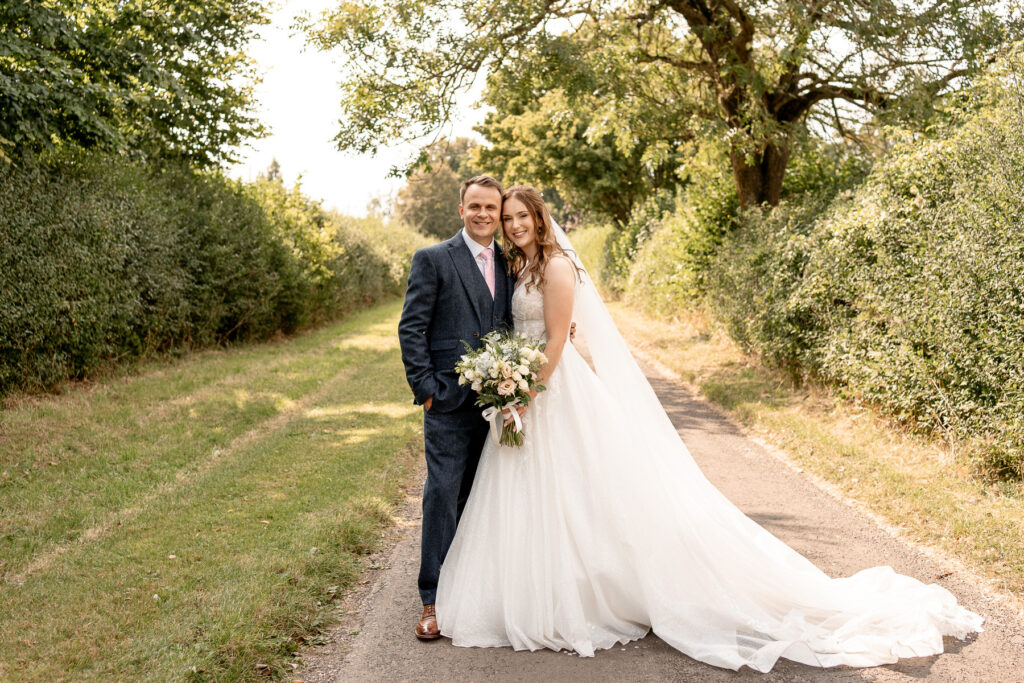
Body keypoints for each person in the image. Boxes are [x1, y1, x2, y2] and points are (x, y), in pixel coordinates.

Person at [434, 185, 984, 672]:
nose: (513, 225)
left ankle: (589, 594)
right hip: (529, 390)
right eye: (507, 219)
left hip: (552, 391)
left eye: (521, 216)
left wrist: (526, 394)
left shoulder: (554, 267)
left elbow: (556, 341)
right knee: (542, 494)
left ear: (540, 217)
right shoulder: (518, 266)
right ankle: (542, 589)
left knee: (577, 488)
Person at [397, 175, 515, 640]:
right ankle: (432, 599)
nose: (485, 214)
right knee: (443, 495)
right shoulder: (433, 259)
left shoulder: (511, 261)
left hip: (502, 402)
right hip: (447, 400)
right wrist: (427, 389)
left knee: (489, 497)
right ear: (461, 210)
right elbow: (412, 328)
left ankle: (482, 593)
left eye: (493, 207)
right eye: (476, 206)